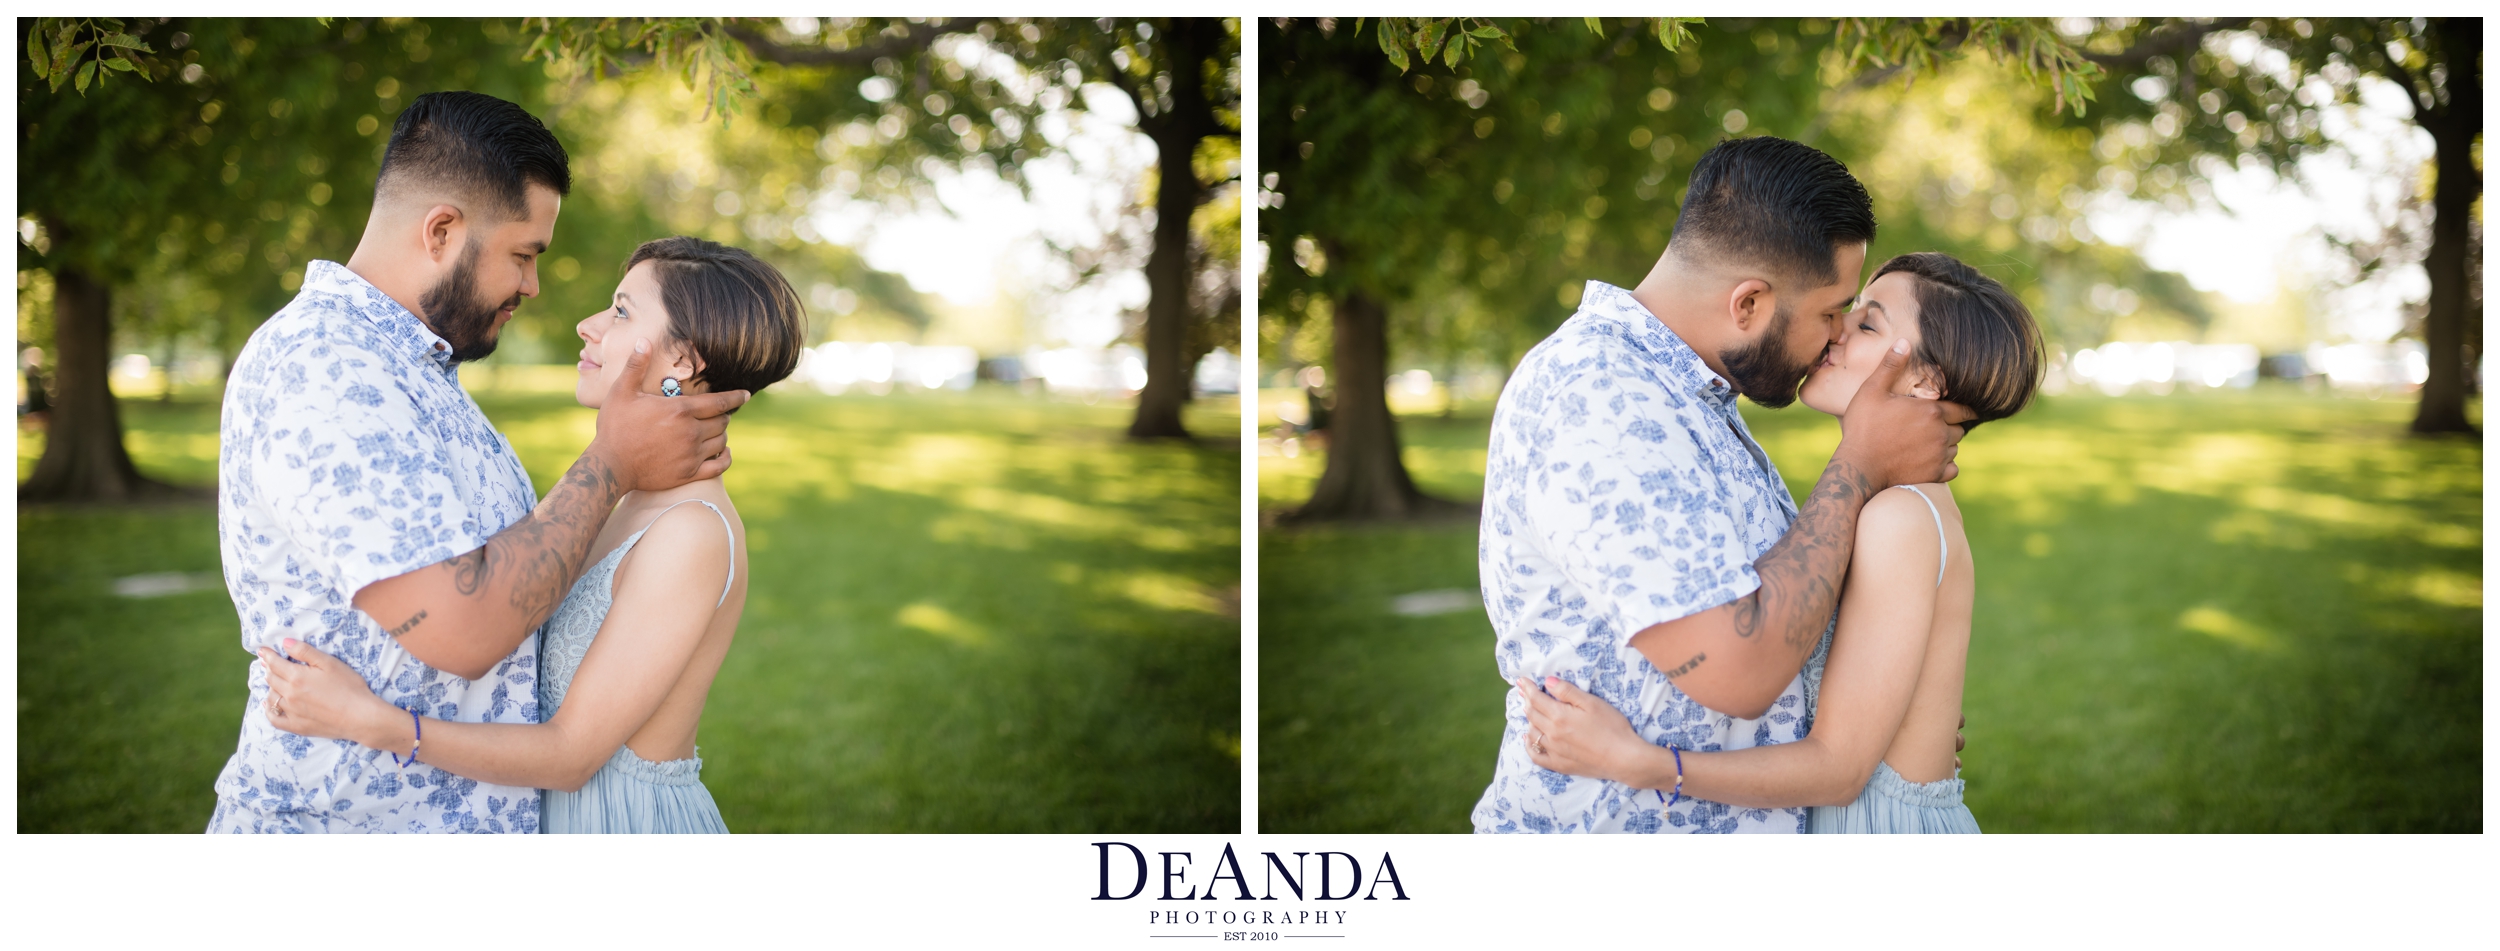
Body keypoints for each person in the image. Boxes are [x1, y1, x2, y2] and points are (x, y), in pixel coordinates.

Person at [206, 92, 747, 834]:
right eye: (523, 255)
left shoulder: (416, 369)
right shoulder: (328, 372)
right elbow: (460, 630)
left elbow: (520, 579)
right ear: (441, 231)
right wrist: (612, 459)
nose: (532, 286)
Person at [1471, 136, 1974, 834]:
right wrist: (1858, 462)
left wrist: (1896, 724)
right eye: (1833, 311)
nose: (1833, 337)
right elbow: (1738, 671)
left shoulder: (1687, 398)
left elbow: (1781, 596)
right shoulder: (1603, 401)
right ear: (1748, 305)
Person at [259, 237, 805, 833]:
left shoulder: (691, 533)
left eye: (621, 311)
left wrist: (366, 720)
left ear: (684, 362)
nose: (588, 325)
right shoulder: (626, 495)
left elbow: (571, 756)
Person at [1519, 252, 2045, 833]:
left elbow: (1839, 770)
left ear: (1925, 381)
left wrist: (1635, 762)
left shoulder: (1900, 517)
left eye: (1868, 323)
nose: (1838, 326)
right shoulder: (1888, 504)